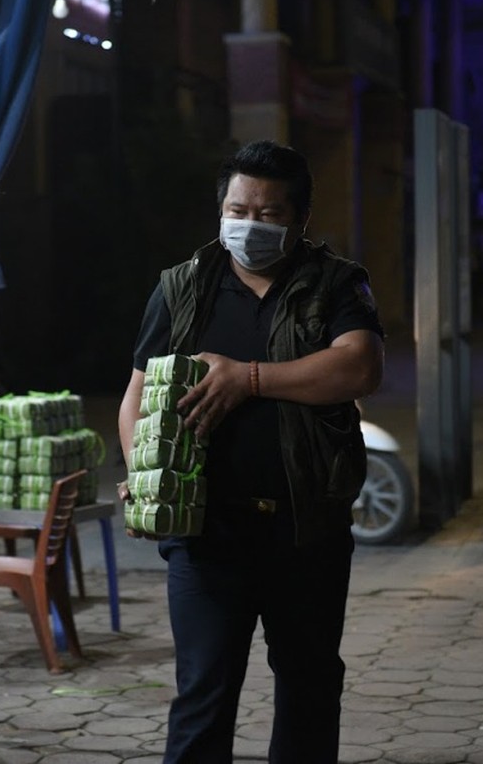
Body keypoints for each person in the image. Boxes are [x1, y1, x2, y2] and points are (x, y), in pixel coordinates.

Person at [117, 139, 385, 763]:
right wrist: (144, 471)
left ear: (299, 220)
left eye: (269, 215)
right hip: (208, 537)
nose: (251, 225)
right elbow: (135, 396)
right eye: (240, 210)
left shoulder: (335, 284)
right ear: (220, 210)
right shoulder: (182, 288)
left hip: (305, 531)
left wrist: (249, 377)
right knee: (202, 698)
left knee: (309, 691)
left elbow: (359, 367)